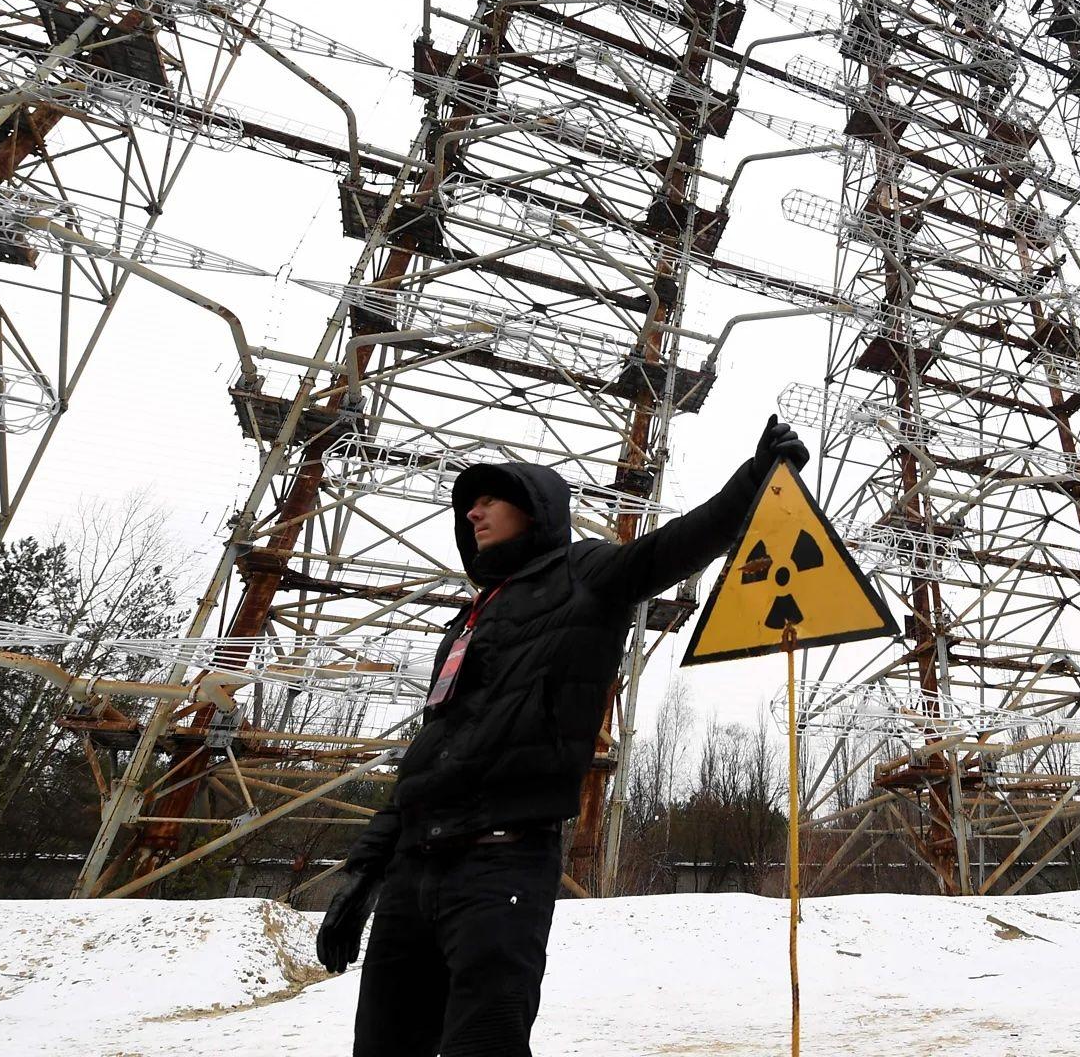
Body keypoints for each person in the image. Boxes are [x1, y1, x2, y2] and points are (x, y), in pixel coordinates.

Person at [314, 416, 813, 1055]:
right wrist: (364, 871)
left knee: (484, 1043)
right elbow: (427, 756)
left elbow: (672, 548)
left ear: (535, 507)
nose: (473, 513)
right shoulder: (468, 621)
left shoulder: (585, 575)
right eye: (469, 505)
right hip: (414, 868)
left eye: (490, 499)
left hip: (501, 862)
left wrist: (754, 482)